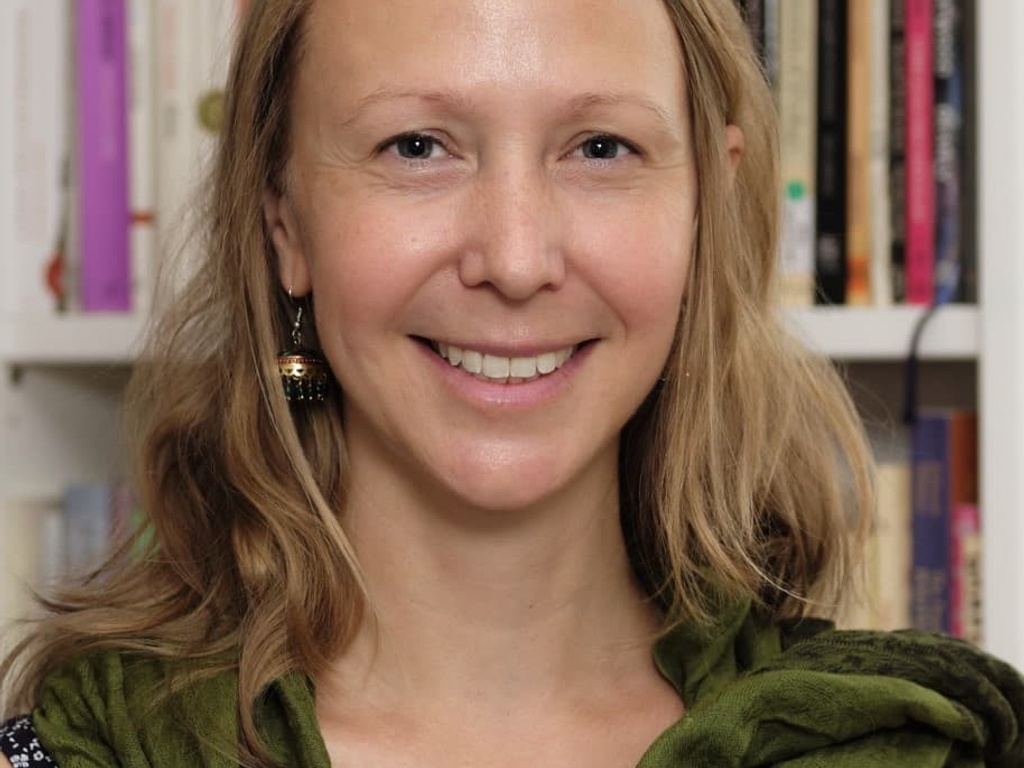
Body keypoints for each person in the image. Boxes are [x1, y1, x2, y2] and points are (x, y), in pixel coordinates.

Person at [2, 0, 1022, 765]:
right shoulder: (88, 747)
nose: (517, 257)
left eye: (599, 147)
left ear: (709, 197)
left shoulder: (912, 746)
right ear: (284, 220)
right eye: (416, 146)